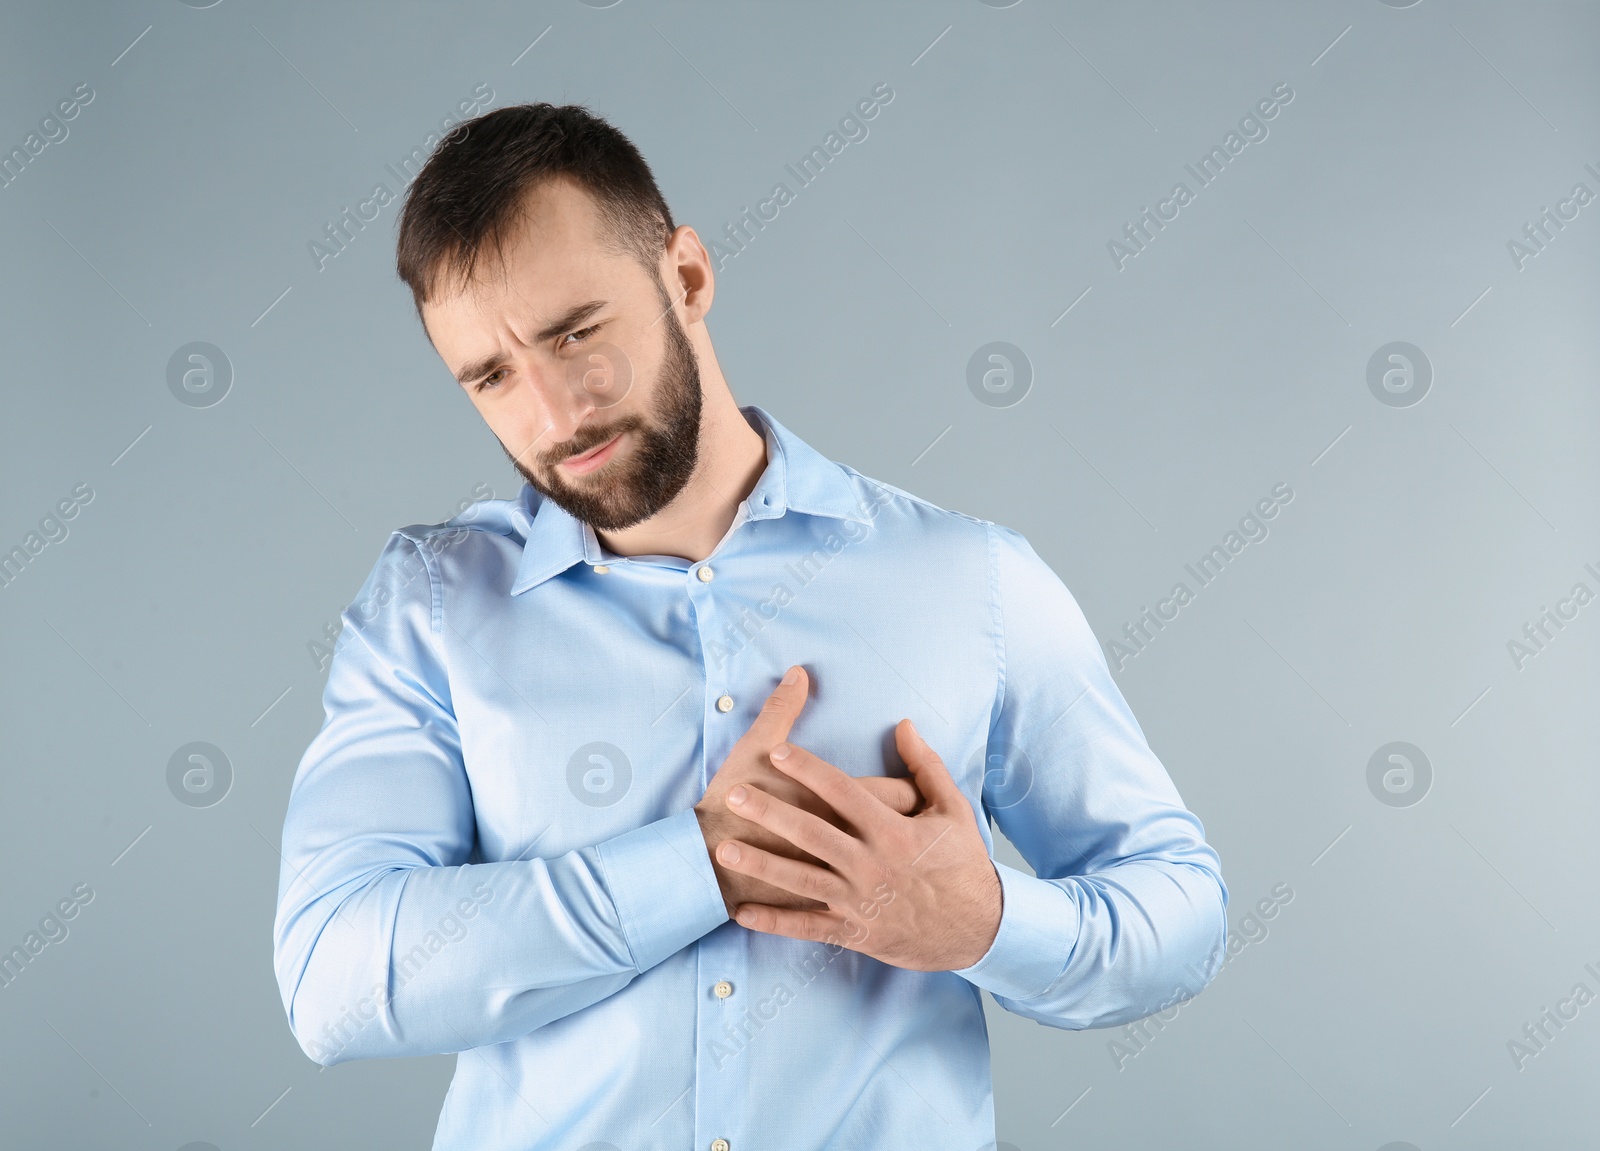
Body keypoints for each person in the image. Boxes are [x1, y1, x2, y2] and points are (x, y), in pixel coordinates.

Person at [271, 102, 1228, 1151]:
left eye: (576, 334)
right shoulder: (431, 607)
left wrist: (986, 920)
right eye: (493, 377)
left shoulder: (973, 580)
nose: (553, 415)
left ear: (685, 276)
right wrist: (698, 866)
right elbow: (332, 980)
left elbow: (1182, 915)